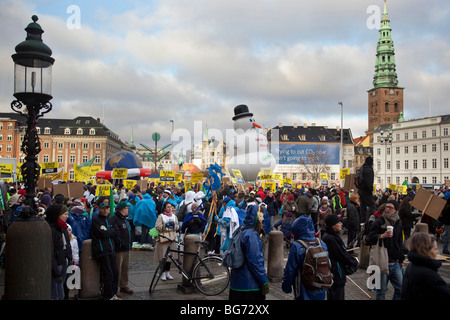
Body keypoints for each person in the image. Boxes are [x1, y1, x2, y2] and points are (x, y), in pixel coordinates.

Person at [282, 215, 328, 300]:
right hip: (319, 287)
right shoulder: (321, 244)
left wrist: (286, 286)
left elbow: (290, 269)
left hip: (303, 290)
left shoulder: (297, 246)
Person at [229, 204, 269, 300]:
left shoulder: (240, 229)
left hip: (236, 283)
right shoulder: (251, 234)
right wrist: (264, 280)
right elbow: (255, 261)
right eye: (261, 216)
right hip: (249, 286)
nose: (263, 219)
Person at [367, 199, 404, 300]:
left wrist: (401, 259)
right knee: (381, 291)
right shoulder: (379, 221)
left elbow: (400, 242)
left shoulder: (398, 223)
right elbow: (370, 237)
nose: (387, 209)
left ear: (395, 210)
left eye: (390, 208)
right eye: (386, 207)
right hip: (382, 261)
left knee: (401, 288)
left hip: (395, 262)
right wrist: (383, 235)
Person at [401, 233, 450, 299]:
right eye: (435, 249)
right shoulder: (428, 274)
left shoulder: (411, 265)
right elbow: (445, 293)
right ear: (426, 251)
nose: (437, 252)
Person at [322, 214, 358, 300]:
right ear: (333, 225)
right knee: (337, 295)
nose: (341, 224)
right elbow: (341, 254)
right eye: (339, 222)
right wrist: (353, 261)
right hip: (336, 272)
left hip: (336, 271)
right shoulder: (330, 238)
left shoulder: (333, 236)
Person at [91, 202, 120, 300]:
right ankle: (108, 295)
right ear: (99, 209)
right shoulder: (96, 220)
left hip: (111, 249)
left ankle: (114, 293)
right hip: (102, 250)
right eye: (103, 208)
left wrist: (108, 232)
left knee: (115, 272)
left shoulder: (110, 219)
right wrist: (109, 232)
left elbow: (115, 232)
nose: (105, 210)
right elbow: (101, 234)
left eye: (107, 208)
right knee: (108, 274)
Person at [45, 204, 72, 300]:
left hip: (63, 261)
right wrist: (56, 271)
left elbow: (67, 244)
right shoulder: (50, 230)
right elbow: (49, 253)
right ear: (57, 215)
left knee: (61, 293)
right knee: (56, 294)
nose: (67, 216)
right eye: (65, 214)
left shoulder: (63, 227)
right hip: (55, 265)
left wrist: (69, 257)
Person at [111, 201, 133, 296]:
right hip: (119, 249)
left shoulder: (125, 219)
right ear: (122, 209)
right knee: (117, 269)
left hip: (127, 247)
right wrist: (120, 243)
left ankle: (124, 284)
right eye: (126, 208)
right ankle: (115, 288)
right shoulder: (115, 219)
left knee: (125, 267)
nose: (128, 209)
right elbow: (115, 234)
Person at [154, 201, 179, 281]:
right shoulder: (161, 216)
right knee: (163, 256)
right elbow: (157, 227)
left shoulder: (174, 216)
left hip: (171, 238)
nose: (170, 208)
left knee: (170, 257)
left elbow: (177, 226)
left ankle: (168, 272)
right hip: (163, 239)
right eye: (168, 207)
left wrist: (174, 226)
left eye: (171, 207)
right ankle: (163, 273)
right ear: (165, 208)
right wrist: (165, 226)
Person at [357, 156, 375, 223]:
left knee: (362, 206)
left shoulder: (362, 168)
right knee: (372, 205)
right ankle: (373, 219)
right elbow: (369, 182)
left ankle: (363, 221)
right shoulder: (369, 170)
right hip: (367, 190)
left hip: (360, 190)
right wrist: (370, 190)